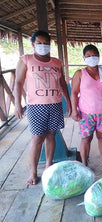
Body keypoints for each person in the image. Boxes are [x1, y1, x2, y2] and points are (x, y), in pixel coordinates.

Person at [14, 30, 71, 185]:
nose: (43, 46)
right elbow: (18, 83)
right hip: (35, 105)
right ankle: (33, 172)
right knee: (37, 138)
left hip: (55, 103)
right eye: (39, 43)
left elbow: (62, 83)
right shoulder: (26, 60)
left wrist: (69, 102)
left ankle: (48, 166)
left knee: (52, 135)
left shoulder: (56, 62)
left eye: (46, 43)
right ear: (33, 44)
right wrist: (17, 103)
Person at [71, 44, 102, 171]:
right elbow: (73, 92)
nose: (92, 58)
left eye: (94, 55)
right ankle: (84, 163)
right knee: (85, 138)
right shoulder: (80, 73)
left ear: (99, 57)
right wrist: (74, 110)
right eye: (88, 56)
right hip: (85, 113)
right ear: (84, 58)